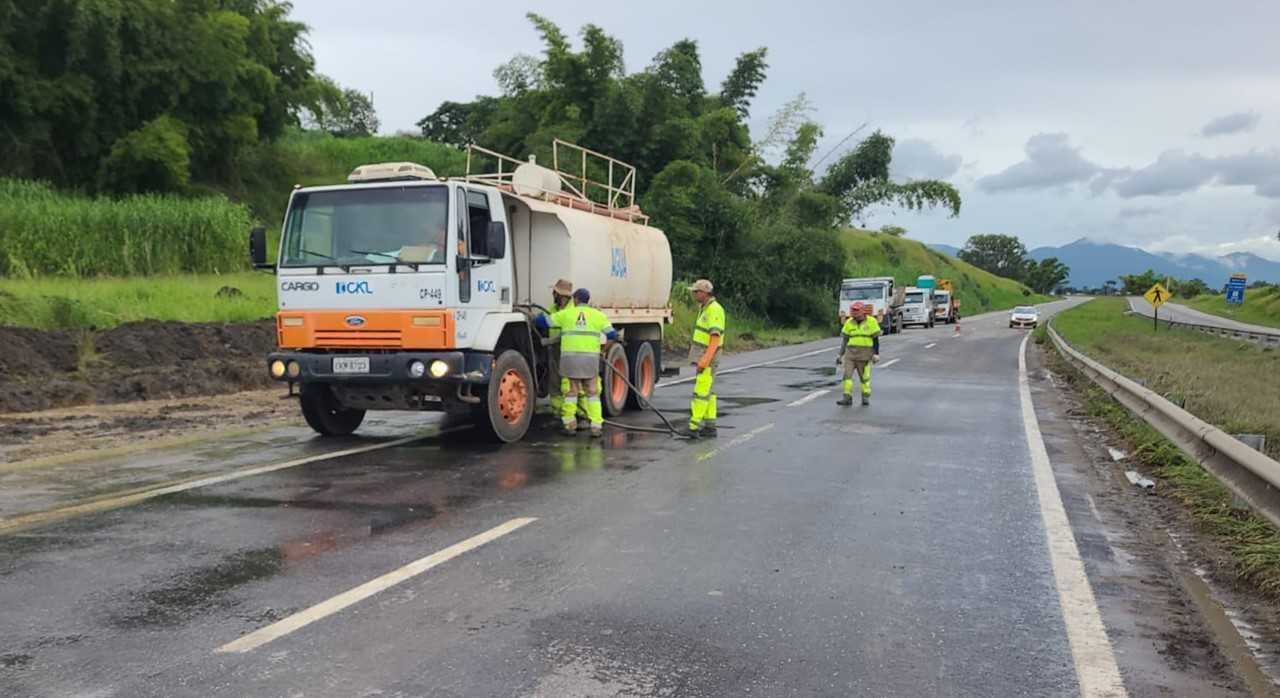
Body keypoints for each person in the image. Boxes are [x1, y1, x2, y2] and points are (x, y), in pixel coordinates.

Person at [536, 283, 619, 436]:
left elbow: (543, 322)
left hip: (570, 361)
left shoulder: (566, 314)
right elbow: (612, 334)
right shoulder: (598, 315)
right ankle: (596, 426)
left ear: (575, 299)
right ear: (588, 300)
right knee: (592, 393)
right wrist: (603, 349)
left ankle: (569, 426)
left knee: (570, 393)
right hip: (590, 361)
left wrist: (537, 317)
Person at [687, 279, 725, 437]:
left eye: (697, 292)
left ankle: (693, 426)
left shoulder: (714, 310)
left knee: (701, 391)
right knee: (708, 391)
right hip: (705, 356)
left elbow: (715, 338)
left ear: (705, 293)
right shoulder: (705, 308)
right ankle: (710, 426)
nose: (694, 294)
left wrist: (705, 360)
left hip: (708, 357)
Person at [837, 302, 881, 406]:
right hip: (850, 353)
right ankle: (847, 398)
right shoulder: (849, 322)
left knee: (864, 378)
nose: (854, 313)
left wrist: (876, 354)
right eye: (853, 310)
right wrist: (840, 355)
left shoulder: (871, 321)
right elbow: (845, 340)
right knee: (847, 376)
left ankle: (865, 397)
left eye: (856, 310)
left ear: (863, 311)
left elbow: (875, 339)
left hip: (865, 354)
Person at [544, 279, 575, 417]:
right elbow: (546, 320)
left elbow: (565, 333)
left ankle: (572, 413)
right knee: (554, 382)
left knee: (568, 383)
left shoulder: (572, 311)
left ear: (561, 295)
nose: (552, 294)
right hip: (554, 350)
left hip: (568, 351)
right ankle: (558, 410)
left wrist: (549, 341)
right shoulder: (553, 308)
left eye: (555, 292)